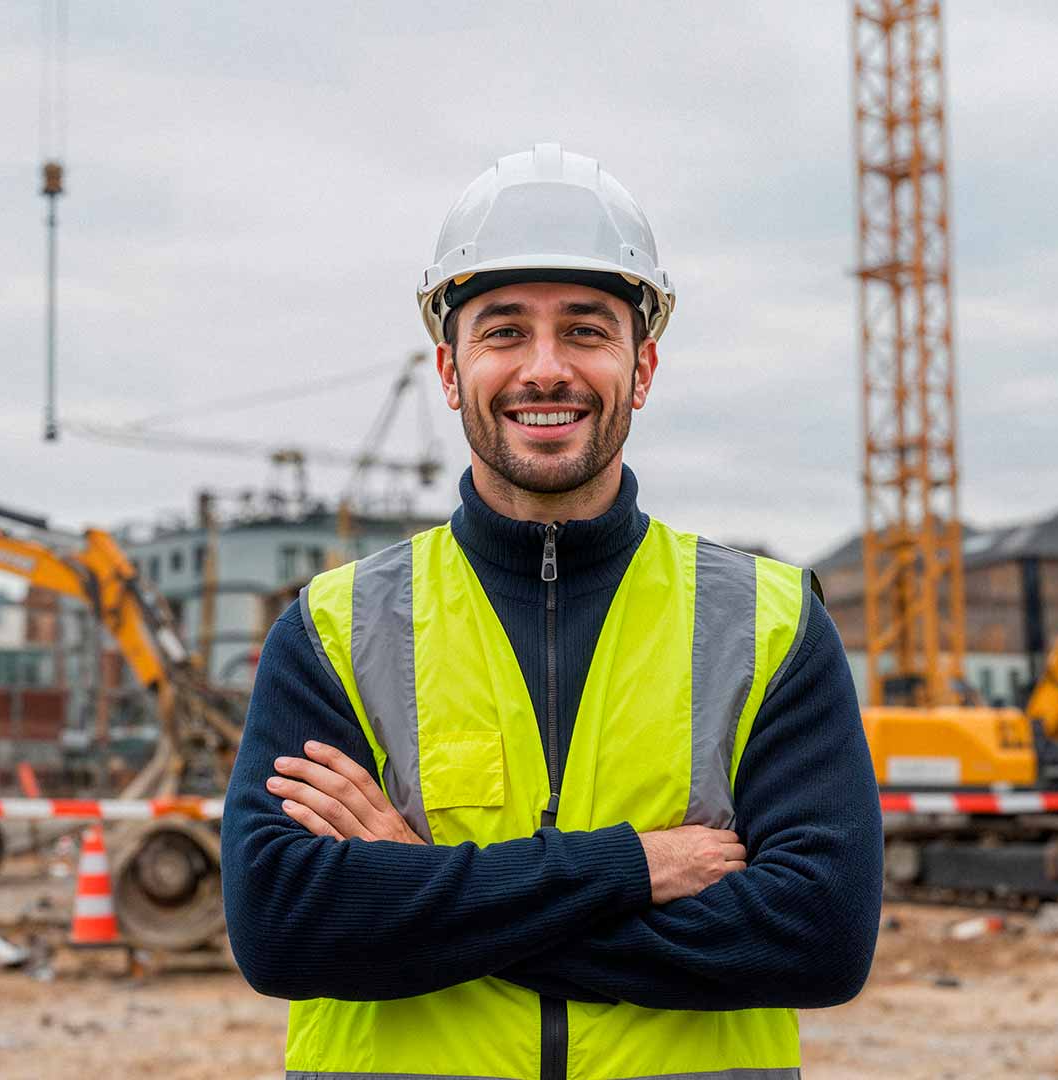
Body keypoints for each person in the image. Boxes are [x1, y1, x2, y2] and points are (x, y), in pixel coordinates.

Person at [221, 143, 882, 1080]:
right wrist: (629, 870)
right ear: (450, 371)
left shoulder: (771, 627)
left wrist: (417, 890)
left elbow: (820, 939)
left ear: (640, 367)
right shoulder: (335, 629)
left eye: (584, 331)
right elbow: (283, 929)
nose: (544, 369)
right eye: (502, 332)